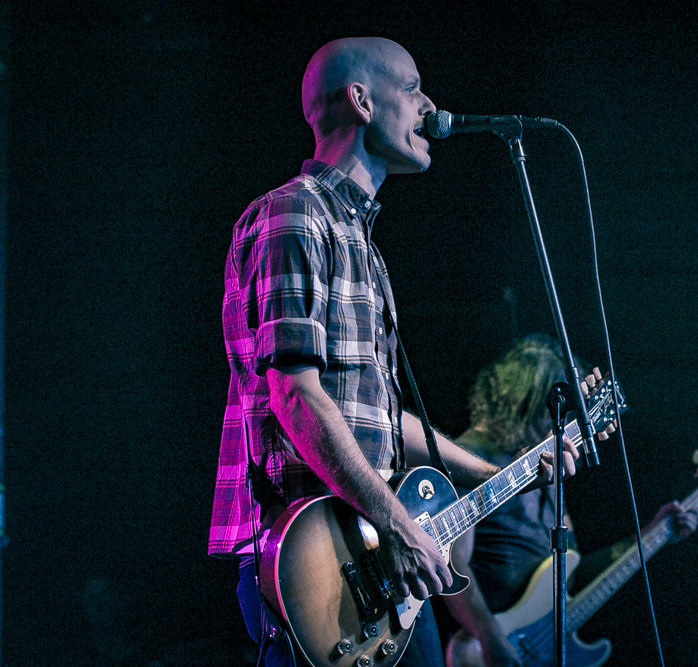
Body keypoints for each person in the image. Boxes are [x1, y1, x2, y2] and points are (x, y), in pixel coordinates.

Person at [207, 38, 580, 667]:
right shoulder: (294, 216)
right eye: (411, 87)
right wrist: (399, 523)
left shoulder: (364, 246)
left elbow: (377, 418)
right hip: (312, 559)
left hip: (371, 554)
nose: (429, 104)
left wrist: (499, 475)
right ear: (359, 99)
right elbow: (295, 396)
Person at [440, 334, 698, 667]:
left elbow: (571, 571)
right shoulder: (469, 458)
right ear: (522, 402)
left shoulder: (541, 467)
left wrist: (651, 532)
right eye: (549, 414)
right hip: (484, 648)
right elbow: (453, 565)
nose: (556, 427)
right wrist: (490, 636)